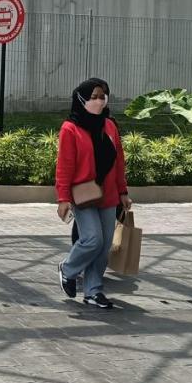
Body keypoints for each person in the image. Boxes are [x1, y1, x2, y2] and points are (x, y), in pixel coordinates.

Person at [55, 78, 132, 309]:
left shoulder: (109, 126)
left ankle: (93, 291)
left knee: (105, 243)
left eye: (103, 96)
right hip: (83, 194)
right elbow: (64, 165)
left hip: (108, 195)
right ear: (82, 99)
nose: (100, 100)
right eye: (94, 96)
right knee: (92, 239)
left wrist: (123, 191)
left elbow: (119, 161)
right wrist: (63, 198)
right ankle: (67, 269)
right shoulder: (70, 128)